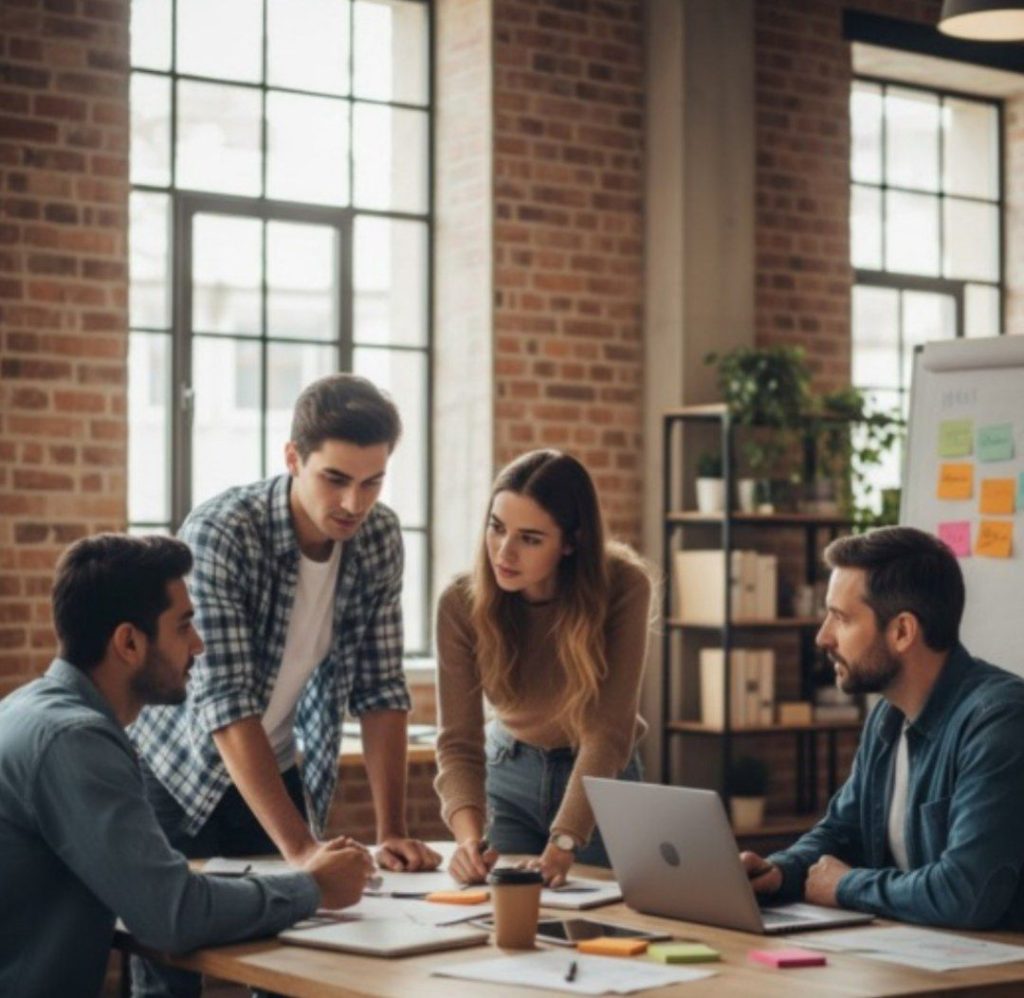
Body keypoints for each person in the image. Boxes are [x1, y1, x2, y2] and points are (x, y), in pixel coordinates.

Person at [129, 374, 438, 995]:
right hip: (178, 774)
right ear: (293, 458)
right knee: (170, 967)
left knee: (295, 962)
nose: (354, 503)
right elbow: (227, 705)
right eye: (335, 479)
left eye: (372, 482)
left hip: (275, 761)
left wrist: (392, 831)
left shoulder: (377, 538)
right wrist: (302, 852)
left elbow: (381, 690)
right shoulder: (223, 532)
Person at [0, 535, 373, 998]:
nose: (197, 646)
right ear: (129, 642)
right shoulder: (75, 742)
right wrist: (314, 888)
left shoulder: (31, 711)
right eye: (183, 626)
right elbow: (172, 915)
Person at [741, 526, 1024, 930]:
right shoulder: (888, 715)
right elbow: (842, 832)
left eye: (840, 618)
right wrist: (779, 872)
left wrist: (846, 886)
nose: (823, 637)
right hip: (924, 959)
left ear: (902, 632)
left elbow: (965, 893)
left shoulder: (1000, 720)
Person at [434, 450, 653, 887]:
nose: (504, 552)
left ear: (571, 542)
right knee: (498, 919)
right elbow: (458, 741)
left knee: (603, 923)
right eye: (496, 529)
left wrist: (565, 840)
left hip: (599, 778)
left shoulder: (624, 587)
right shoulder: (460, 602)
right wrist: (467, 840)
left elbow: (608, 730)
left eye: (530, 539)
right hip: (508, 775)